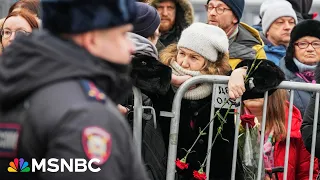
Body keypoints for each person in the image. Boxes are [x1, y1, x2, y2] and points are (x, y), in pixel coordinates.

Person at [0, 0, 148, 180]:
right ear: (92, 39)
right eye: (123, 34)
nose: (131, 47)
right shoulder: (86, 114)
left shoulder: (22, 86)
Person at [156, 22, 284, 180]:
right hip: (169, 172)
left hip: (218, 171)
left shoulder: (222, 81)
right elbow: (135, 69)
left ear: (210, 63)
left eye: (194, 57)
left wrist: (242, 72)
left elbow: (274, 75)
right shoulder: (162, 77)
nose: (183, 62)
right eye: (181, 53)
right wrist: (171, 78)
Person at [124, 2, 171, 179]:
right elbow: (156, 81)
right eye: (156, 31)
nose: (158, 35)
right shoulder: (142, 63)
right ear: (148, 34)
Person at [242, 89, 318, 180]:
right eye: (247, 84)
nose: (252, 89)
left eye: (260, 83)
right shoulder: (228, 123)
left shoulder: (295, 127)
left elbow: (307, 174)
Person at [206, 0, 267, 69]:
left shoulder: (254, 52)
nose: (212, 13)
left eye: (220, 9)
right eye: (210, 7)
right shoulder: (194, 40)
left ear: (235, 17)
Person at [280, 20, 320, 115]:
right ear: (293, 48)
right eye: (303, 44)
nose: (310, 49)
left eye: (316, 44)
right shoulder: (280, 76)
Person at [260, 1, 297, 66]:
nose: (287, 27)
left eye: (291, 22)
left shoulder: (303, 54)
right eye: (280, 22)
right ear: (267, 29)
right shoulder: (257, 56)